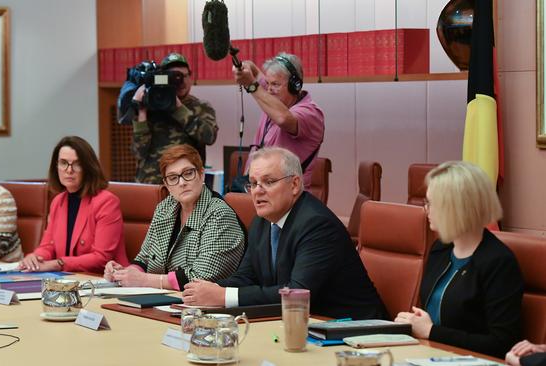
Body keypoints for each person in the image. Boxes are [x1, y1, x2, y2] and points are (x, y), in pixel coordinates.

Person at [182, 147, 387, 319]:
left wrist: (224, 296)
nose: (257, 191)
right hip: (303, 326)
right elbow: (245, 278)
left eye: (268, 182)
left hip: (355, 331)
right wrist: (203, 291)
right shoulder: (261, 222)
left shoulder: (317, 225)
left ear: (295, 184)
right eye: (253, 183)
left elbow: (297, 294)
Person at [395, 161, 523, 358]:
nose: (425, 210)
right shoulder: (440, 250)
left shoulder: (498, 262)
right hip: (427, 354)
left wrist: (430, 331)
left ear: (454, 208)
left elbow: (501, 343)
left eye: (430, 203)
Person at [103, 144, 245, 290]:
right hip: (164, 300)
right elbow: (144, 258)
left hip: (206, 306)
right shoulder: (165, 208)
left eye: (188, 173)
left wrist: (145, 280)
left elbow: (201, 276)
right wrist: (126, 273)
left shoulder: (220, 216)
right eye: (173, 178)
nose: (182, 183)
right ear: (167, 184)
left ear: (202, 174)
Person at [20, 136, 129, 273]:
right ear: (56, 166)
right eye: (63, 163)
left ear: (88, 167)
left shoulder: (106, 202)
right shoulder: (58, 202)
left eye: (77, 164)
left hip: (103, 280)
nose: (69, 170)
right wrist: (35, 258)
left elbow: (101, 258)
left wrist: (58, 264)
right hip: (69, 280)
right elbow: (48, 246)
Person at [233, 52, 324, 189]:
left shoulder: (311, 114)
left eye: (275, 84)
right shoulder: (274, 95)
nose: (269, 90)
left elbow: (283, 118)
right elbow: (255, 72)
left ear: (295, 86)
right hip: (258, 192)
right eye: (268, 84)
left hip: (289, 201)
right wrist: (246, 67)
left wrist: (251, 85)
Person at [132, 52, 218, 184]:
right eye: (174, 77)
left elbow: (209, 136)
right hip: (151, 185)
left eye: (184, 76)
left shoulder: (201, 107)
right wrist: (141, 111)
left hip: (185, 186)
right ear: (163, 79)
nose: (181, 82)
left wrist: (178, 107)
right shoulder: (151, 106)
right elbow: (139, 152)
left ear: (190, 77)